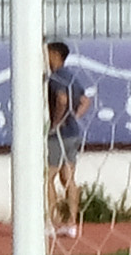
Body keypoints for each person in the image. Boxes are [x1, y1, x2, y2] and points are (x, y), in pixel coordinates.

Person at [41, 39, 88, 239]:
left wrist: (57, 122)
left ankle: (51, 223)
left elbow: (62, 99)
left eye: (46, 54)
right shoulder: (71, 76)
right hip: (73, 133)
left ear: (55, 55)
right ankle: (72, 224)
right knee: (68, 178)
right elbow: (85, 100)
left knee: (47, 178)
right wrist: (74, 117)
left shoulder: (55, 78)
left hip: (58, 135)